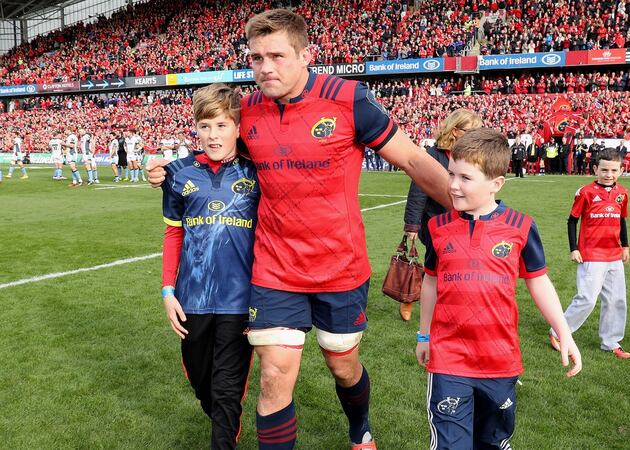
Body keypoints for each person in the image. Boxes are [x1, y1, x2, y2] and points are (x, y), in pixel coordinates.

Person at [147, 9, 451, 450]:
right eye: (255, 58)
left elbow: (416, 161)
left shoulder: (349, 100)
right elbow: (214, 147)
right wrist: (165, 171)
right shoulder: (247, 109)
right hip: (275, 269)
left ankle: (359, 425)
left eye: (277, 56)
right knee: (273, 375)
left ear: (306, 54)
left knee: (343, 366)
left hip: (339, 267)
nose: (265, 68)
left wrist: (477, 210)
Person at [415, 128, 582, 449]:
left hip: (499, 359)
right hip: (449, 357)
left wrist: (565, 332)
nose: (452, 184)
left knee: (493, 442)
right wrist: (424, 335)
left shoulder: (521, 226)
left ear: (496, 183)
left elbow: (539, 282)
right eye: (450, 173)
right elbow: (431, 280)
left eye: (465, 177)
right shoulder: (437, 227)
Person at [160, 83, 257, 449]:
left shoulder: (256, 172)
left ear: (236, 126)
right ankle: (221, 417)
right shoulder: (178, 174)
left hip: (239, 301)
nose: (213, 135)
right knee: (204, 385)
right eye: (205, 126)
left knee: (227, 389)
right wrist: (168, 290)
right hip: (192, 300)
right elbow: (173, 236)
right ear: (195, 128)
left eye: (221, 125)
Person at [550, 148, 630, 359]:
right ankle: (559, 333)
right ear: (595, 169)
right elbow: (572, 221)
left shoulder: (622, 193)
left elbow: (621, 221)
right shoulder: (585, 192)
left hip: (614, 254)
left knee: (616, 300)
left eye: (614, 170)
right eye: (604, 169)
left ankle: (611, 342)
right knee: (587, 298)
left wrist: (625, 246)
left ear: (621, 171)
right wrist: (574, 249)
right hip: (591, 254)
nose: (609, 174)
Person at [402, 108, 482, 321]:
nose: (476, 136)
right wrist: (412, 225)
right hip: (435, 221)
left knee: (457, 265)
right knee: (434, 264)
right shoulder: (433, 155)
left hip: (464, 220)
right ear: (456, 131)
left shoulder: (473, 156)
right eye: (471, 131)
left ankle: (451, 303)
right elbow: (418, 190)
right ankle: (409, 296)